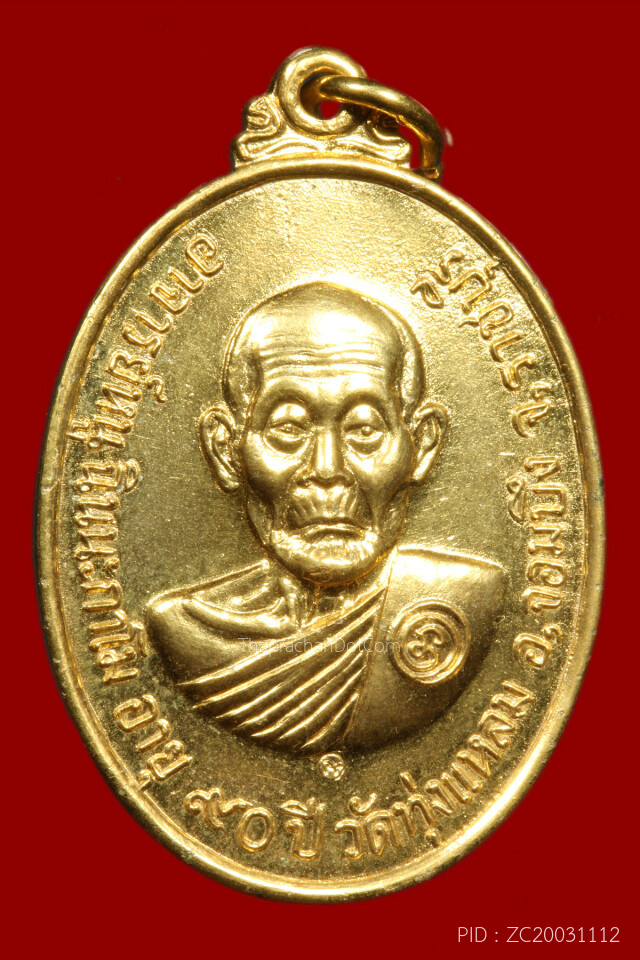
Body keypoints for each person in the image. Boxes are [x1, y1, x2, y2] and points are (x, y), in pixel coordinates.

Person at [145, 282, 506, 753]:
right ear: (226, 450)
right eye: (288, 428)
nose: (327, 469)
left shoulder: (471, 599)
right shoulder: (188, 631)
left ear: (422, 444)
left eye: (364, 429)